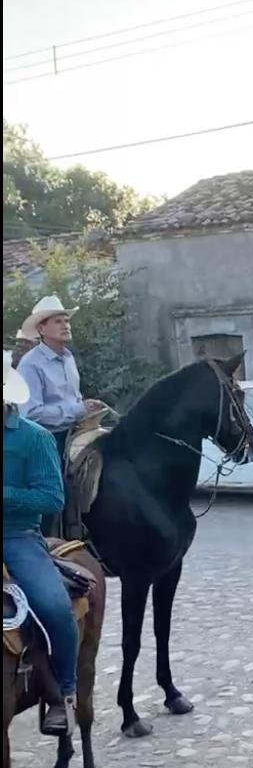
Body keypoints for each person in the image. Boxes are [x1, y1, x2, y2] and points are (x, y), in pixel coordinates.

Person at [3, 350, 79, 735]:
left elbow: (52, 499)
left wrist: (5, 495)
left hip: (14, 535)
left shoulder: (34, 439)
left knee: (54, 606)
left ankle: (64, 691)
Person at [16, 295, 103, 535]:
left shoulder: (68, 358)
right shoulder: (30, 364)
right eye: (58, 321)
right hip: (46, 439)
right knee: (56, 488)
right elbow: (30, 412)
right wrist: (76, 410)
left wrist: (86, 407)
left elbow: (71, 399)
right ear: (42, 329)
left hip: (75, 431)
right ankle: (47, 538)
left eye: (66, 320)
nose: (66, 325)